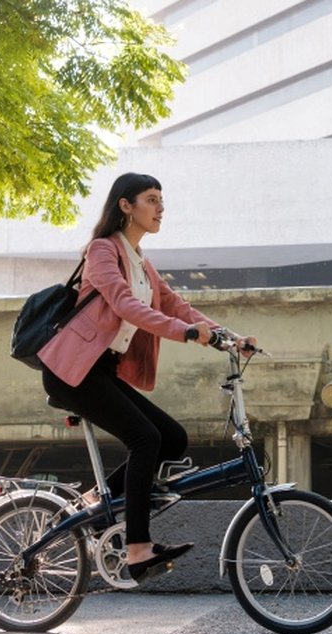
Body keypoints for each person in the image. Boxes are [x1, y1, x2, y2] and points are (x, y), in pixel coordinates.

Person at [37, 172, 252, 583]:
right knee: (145, 438)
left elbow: (178, 306)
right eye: (151, 199)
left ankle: (97, 501)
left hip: (99, 371)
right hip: (71, 371)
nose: (160, 208)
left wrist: (231, 338)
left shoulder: (143, 265)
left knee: (171, 438)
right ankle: (137, 548)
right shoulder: (102, 251)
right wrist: (184, 334)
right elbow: (123, 304)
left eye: (161, 201)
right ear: (125, 205)